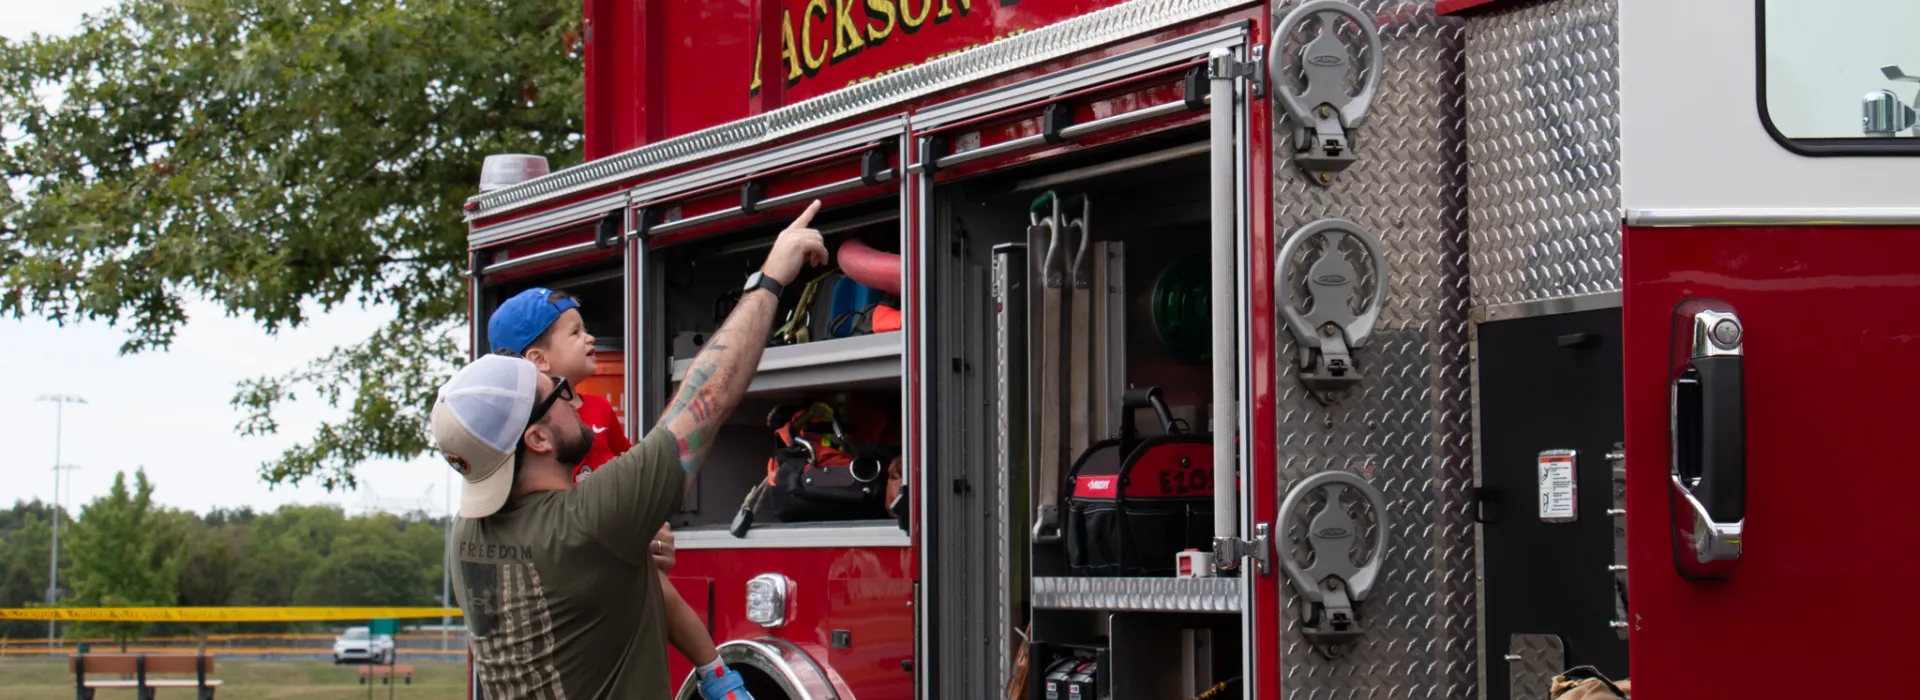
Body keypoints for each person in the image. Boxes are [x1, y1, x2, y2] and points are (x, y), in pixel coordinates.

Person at [438, 201, 830, 699]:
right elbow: (705, 398)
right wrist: (772, 276)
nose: (571, 397)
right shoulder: (587, 525)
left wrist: (633, 563)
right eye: (556, 395)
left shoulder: (466, 535)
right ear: (536, 440)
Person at [484, 284, 736, 696]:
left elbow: (629, 462)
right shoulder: (520, 440)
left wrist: (648, 520)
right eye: (575, 332)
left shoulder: (599, 410)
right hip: (586, 555)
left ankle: (718, 675)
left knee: (662, 595)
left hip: (616, 537)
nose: (590, 338)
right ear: (537, 360)